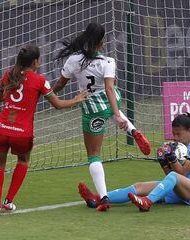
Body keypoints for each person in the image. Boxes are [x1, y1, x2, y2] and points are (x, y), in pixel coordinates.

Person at [53, 22, 151, 211]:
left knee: (94, 155)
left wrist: (47, 93)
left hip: (92, 109)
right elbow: (108, 89)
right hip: (110, 101)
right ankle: (133, 130)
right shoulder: (108, 61)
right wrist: (117, 114)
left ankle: (104, 198)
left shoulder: (74, 60)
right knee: (112, 108)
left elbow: (60, 84)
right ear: (101, 41)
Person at [0, 45, 88, 216]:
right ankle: (8, 201)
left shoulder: (8, 74)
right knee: (23, 161)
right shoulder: (40, 81)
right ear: (35, 62)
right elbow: (57, 105)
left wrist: (6, 92)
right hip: (22, 132)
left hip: (2, 128)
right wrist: (76, 99)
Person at [78, 113, 190, 212]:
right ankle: (98, 198)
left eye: (179, 134)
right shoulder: (176, 146)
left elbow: (182, 174)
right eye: (173, 134)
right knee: (139, 186)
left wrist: (171, 157)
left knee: (173, 177)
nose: (175, 138)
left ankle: (147, 202)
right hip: (178, 189)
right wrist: (163, 161)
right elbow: (170, 174)